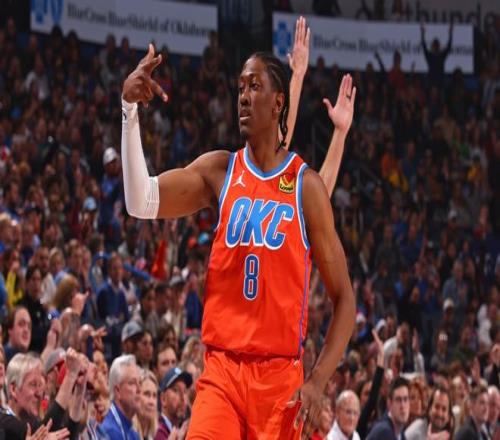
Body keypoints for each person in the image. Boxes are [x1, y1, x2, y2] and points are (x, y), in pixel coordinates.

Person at [121, 14, 356, 437]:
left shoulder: (306, 188)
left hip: (280, 380)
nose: (243, 97)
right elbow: (140, 201)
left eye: (254, 86)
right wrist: (128, 110)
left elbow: (345, 301)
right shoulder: (220, 171)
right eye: (240, 88)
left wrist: (318, 380)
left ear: (278, 102)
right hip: (223, 373)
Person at [99, 354, 141, 440]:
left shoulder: (133, 434)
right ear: (118, 391)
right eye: (132, 383)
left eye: (139, 383)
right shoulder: (109, 431)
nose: (139, 389)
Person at [156, 367, 192, 440]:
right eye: (176, 390)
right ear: (163, 399)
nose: (182, 397)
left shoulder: (183, 431)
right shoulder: (158, 431)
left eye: (185, 391)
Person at [132, 369, 159, 440]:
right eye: (147, 394)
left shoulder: (155, 434)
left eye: (154, 396)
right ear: (136, 396)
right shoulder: (127, 432)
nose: (151, 402)